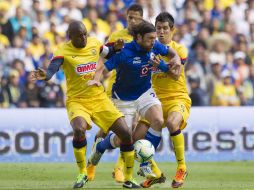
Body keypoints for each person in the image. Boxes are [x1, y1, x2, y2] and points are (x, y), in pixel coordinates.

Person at [30, 21, 140, 189]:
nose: (83, 38)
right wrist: (46, 75)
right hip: (77, 100)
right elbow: (53, 68)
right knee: (79, 129)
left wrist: (116, 48)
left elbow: (108, 53)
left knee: (126, 134)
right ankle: (82, 173)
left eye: (85, 34)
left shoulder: (94, 43)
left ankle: (129, 178)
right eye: (79, 35)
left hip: (99, 98)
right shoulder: (62, 51)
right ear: (70, 37)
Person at [87, 20, 181, 185]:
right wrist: (96, 80)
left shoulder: (154, 46)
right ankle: (101, 147)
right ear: (138, 37)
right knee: (125, 138)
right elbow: (103, 67)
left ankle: (145, 164)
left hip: (144, 92)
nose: (154, 41)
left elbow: (172, 52)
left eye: (154, 38)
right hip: (123, 98)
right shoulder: (124, 53)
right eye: (150, 38)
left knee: (158, 120)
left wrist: (176, 60)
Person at [133, 12, 192, 188]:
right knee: (135, 139)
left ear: (172, 30)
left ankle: (182, 167)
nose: (161, 32)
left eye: (165, 28)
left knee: (173, 124)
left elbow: (175, 75)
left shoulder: (179, 50)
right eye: (158, 28)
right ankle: (155, 174)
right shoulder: (148, 49)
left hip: (177, 98)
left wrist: (161, 65)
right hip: (154, 101)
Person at [87, 3, 144, 183]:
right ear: (126, 17)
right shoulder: (117, 36)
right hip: (116, 88)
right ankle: (92, 163)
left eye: (136, 18)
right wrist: (98, 77)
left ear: (141, 19)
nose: (132, 21)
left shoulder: (144, 37)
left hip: (137, 89)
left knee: (131, 129)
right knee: (106, 129)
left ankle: (119, 168)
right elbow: (104, 58)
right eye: (130, 17)